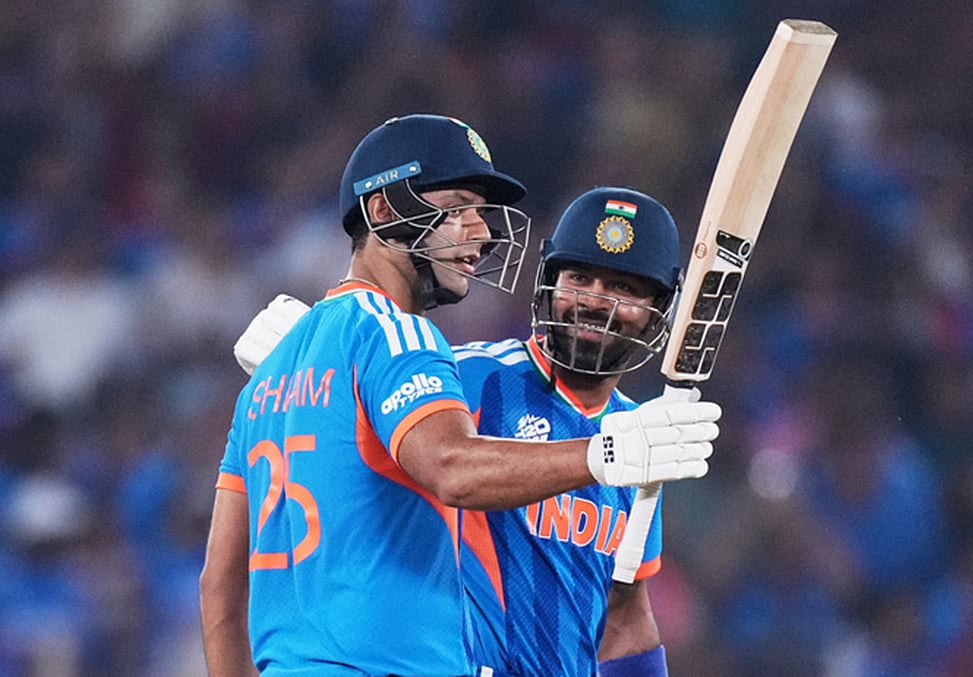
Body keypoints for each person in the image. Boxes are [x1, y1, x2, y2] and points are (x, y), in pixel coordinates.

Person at [200, 114, 722, 677]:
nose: (482, 232)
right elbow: (451, 465)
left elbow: (219, 588)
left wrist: (317, 353)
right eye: (459, 208)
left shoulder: (282, 376)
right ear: (383, 210)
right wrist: (607, 454)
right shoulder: (440, 360)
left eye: (623, 288)